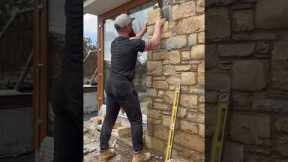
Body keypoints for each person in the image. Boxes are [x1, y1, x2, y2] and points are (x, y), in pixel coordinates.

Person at [98, 13, 165, 162]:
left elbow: (131, 41)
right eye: (131, 24)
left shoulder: (115, 43)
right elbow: (154, 43)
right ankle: (138, 154)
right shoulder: (132, 44)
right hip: (123, 86)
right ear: (127, 26)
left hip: (110, 84)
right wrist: (158, 26)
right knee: (135, 119)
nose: (132, 26)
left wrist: (141, 31)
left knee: (109, 118)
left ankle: (103, 151)